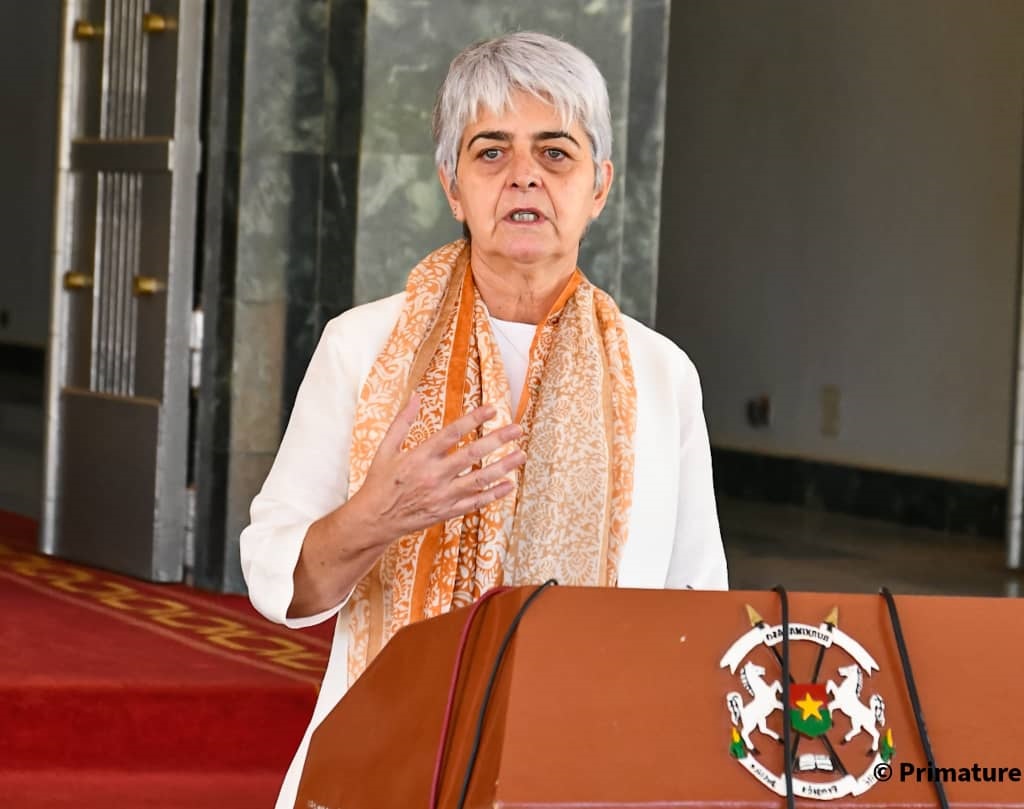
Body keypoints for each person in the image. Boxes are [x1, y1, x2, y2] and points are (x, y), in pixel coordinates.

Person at [240, 31, 727, 808]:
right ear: (452, 186)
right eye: (491, 151)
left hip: (586, 771)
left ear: (600, 187)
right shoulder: (363, 347)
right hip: (388, 760)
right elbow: (279, 582)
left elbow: (697, 613)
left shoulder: (660, 374)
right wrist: (377, 515)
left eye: (556, 153)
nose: (524, 175)